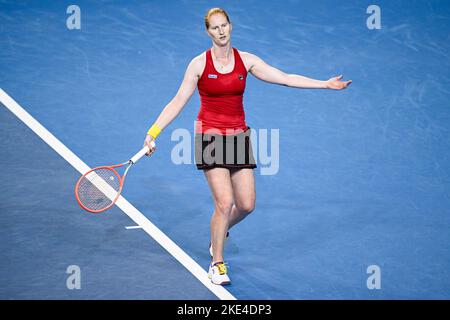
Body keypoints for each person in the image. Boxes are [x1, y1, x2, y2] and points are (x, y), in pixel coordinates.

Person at [143, 8, 352, 286]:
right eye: (215, 28)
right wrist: (153, 132)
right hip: (210, 138)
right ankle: (217, 263)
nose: (221, 31)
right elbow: (178, 101)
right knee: (224, 202)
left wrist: (325, 85)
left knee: (247, 205)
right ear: (208, 31)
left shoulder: (247, 61)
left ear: (231, 26)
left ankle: (219, 232)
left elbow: (285, 78)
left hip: (239, 137)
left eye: (224, 25)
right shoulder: (198, 65)